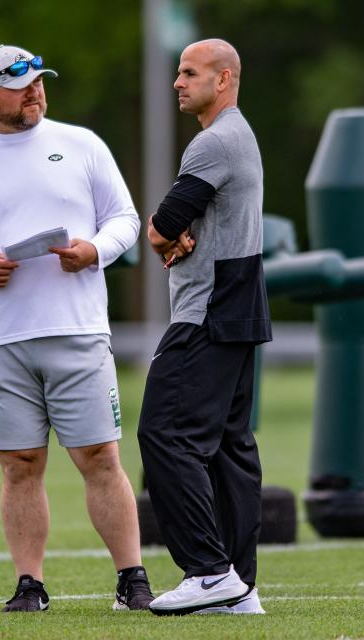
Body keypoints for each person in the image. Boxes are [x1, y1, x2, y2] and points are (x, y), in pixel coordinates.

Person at [0, 44, 153, 613]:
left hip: (77, 330)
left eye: (41, 82)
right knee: (20, 464)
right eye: (22, 86)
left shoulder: (81, 144)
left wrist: (93, 250)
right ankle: (30, 584)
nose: (37, 92)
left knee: (100, 455)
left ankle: (132, 578)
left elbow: (125, 219)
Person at [138, 39, 272, 616]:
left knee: (163, 435)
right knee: (228, 449)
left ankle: (209, 572)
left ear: (224, 80)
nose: (177, 82)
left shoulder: (212, 143)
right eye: (176, 72)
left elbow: (162, 226)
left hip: (208, 311)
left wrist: (165, 235)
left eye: (189, 73)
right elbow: (181, 223)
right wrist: (175, 233)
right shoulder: (241, 135)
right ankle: (240, 583)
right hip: (242, 307)